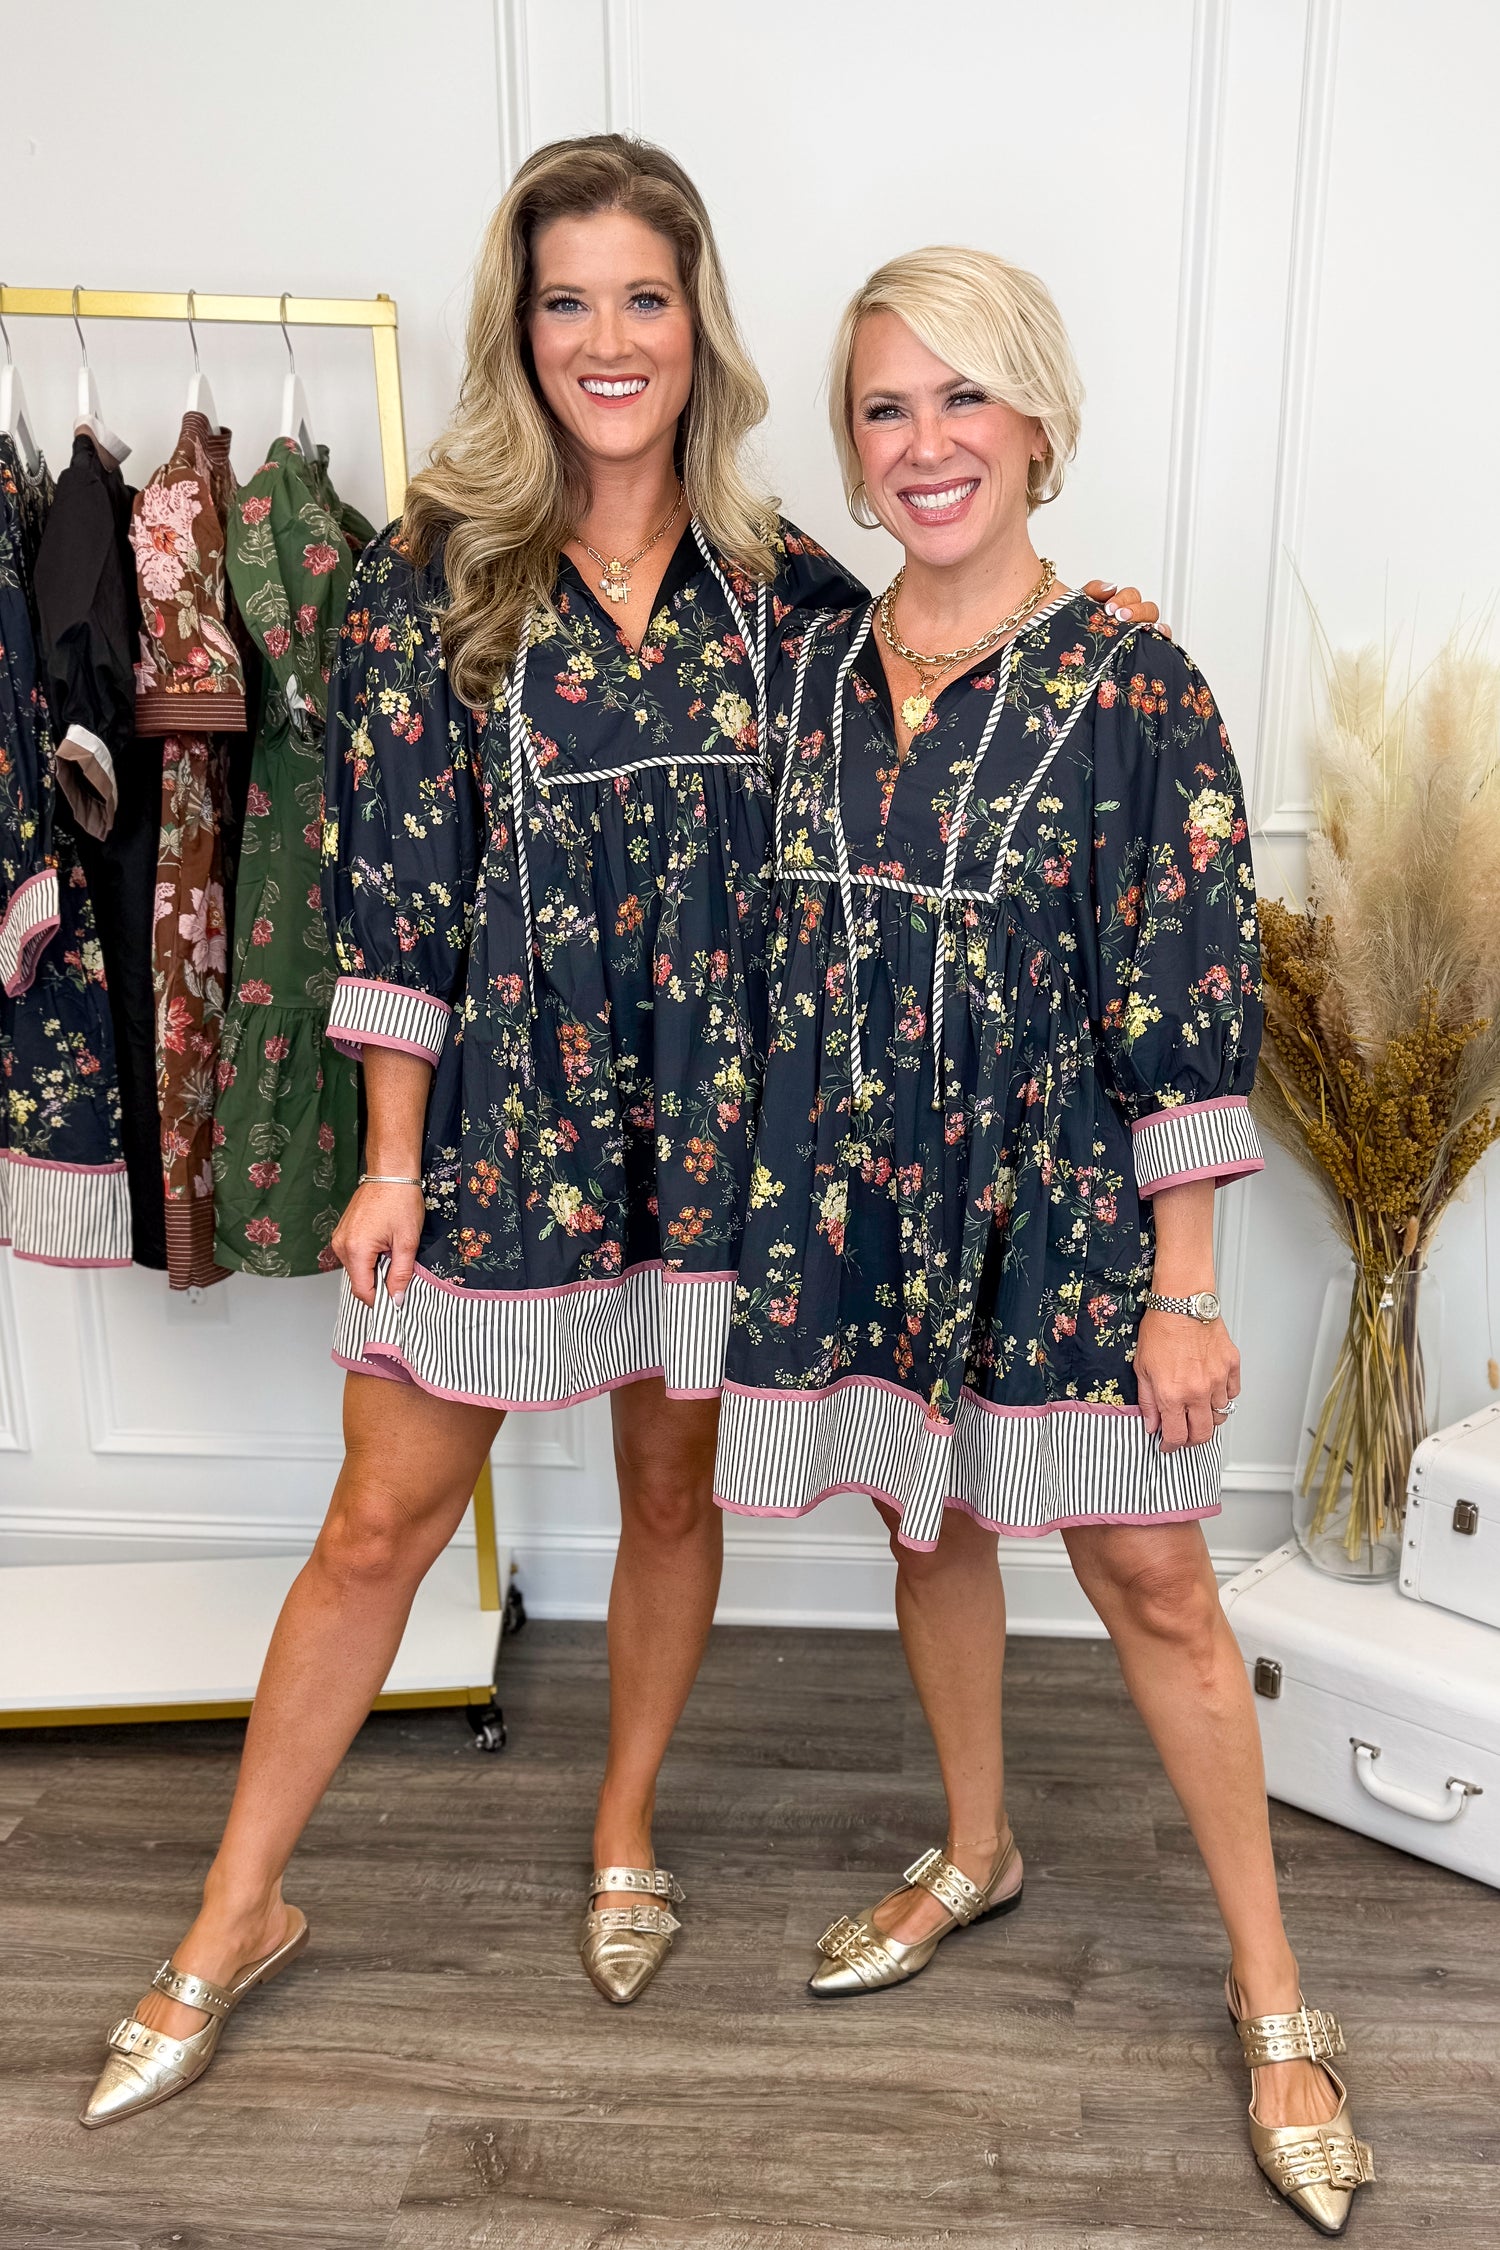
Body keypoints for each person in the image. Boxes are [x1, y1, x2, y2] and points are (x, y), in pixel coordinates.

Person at [80, 141, 1158, 2126]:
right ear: (524, 331)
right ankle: (234, 1917)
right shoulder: (430, 578)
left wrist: (1094, 643)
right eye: (565, 301)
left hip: (724, 1145)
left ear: (698, 323)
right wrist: (391, 1163)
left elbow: (946, 685)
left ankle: (627, 1829)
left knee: (672, 1503)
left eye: (641, 298)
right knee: (376, 1526)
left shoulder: (793, 602)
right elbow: (396, 893)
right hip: (501, 1136)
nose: (606, 340)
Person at [715, 247, 1372, 2238]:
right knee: (935, 1525)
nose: (924, 446)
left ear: (1040, 420)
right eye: (884, 408)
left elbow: (1188, 994)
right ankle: (977, 1847)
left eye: (963, 399)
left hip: (1074, 1214)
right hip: (871, 1199)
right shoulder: (814, 664)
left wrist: (1187, 1293)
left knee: (1155, 1585)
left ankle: (1272, 1994)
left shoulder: (1134, 676)